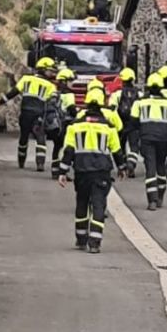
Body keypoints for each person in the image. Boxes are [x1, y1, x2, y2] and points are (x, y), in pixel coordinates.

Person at [55, 86, 121, 251]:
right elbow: (117, 151)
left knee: (82, 202)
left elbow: (68, 151)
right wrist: (123, 167)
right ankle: (95, 243)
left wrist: (62, 172)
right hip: (101, 172)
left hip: (81, 171)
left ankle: (81, 238)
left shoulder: (75, 126)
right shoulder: (109, 127)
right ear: (102, 104)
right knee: (99, 205)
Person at [130, 78, 167, 211]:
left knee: (150, 167)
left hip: (147, 138)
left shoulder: (139, 103)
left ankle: (151, 200)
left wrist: (140, 132)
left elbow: (133, 122)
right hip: (163, 138)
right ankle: (160, 196)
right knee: (160, 166)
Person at [4, 58, 59, 170]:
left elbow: (13, 92)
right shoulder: (50, 86)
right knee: (40, 138)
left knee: (23, 138)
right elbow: (53, 100)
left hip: (25, 113)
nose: (52, 73)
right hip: (39, 114)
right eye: (50, 70)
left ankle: (21, 162)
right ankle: (40, 164)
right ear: (43, 69)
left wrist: (1, 101)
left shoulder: (26, 79)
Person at [110, 66, 139, 176]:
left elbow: (112, 110)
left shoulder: (117, 94)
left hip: (120, 123)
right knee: (134, 146)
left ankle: (122, 167)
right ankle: (131, 164)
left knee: (120, 146)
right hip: (134, 123)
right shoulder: (139, 94)